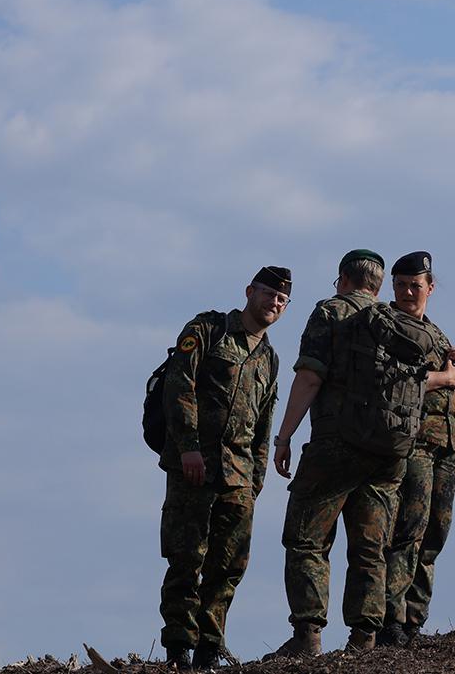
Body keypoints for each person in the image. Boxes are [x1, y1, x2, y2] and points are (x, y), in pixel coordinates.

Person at [267, 250, 455, 657]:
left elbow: (309, 378)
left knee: (307, 539)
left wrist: (284, 436)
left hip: (336, 445)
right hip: (388, 453)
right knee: (370, 547)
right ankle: (364, 638)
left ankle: (308, 636)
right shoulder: (401, 324)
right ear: (378, 285)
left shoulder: (332, 312)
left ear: (343, 280)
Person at [158, 266, 291, 670]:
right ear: (249, 291)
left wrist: (256, 479)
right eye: (268, 293)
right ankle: (179, 648)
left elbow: (264, 423)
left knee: (229, 567)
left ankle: (209, 648)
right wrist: (188, 448)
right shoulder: (208, 330)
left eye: (282, 299)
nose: (274, 303)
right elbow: (178, 386)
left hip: (239, 477)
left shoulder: (269, 358)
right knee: (186, 558)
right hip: (195, 468)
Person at [380, 251, 455, 647]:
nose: (406, 292)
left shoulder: (438, 334)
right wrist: (446, 377)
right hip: (413, 443)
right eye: (400, 285)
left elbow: (454, 396)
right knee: (408, 530)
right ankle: (392, 619)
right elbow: (393, 380)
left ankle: (415, 619)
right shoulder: (388, 327)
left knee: (436, 531)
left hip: (446, 444)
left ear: (430, 288)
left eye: (414, 285)